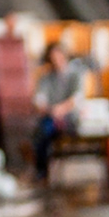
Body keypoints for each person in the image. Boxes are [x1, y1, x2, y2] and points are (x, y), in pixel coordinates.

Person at [31, 41, 83, 183]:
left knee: (47, 128)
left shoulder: (75, 75)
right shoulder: (46, 77)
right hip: (51, 117)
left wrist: (62, 109)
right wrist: (45, 107)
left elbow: (77, 97)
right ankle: (42, 170)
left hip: (70, 117)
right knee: (42, 130)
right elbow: (39, 98)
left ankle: (42, 169)